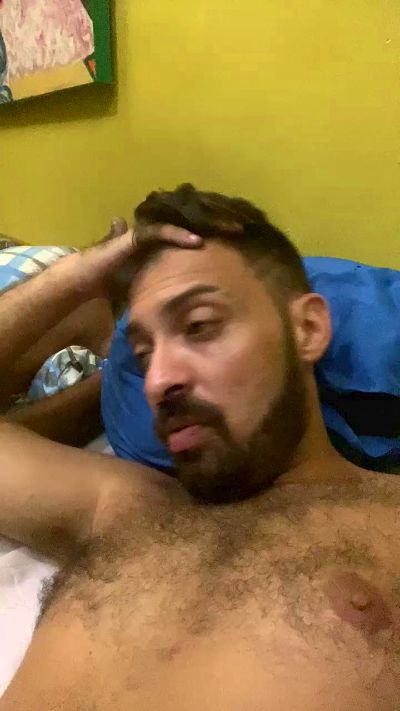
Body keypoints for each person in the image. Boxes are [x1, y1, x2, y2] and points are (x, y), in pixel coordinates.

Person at [0, 184, 399, 710]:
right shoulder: (119, 507)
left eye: (199, 326)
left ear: (307, 328)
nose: (157, 381)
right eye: (143, 355)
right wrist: (76, 276)